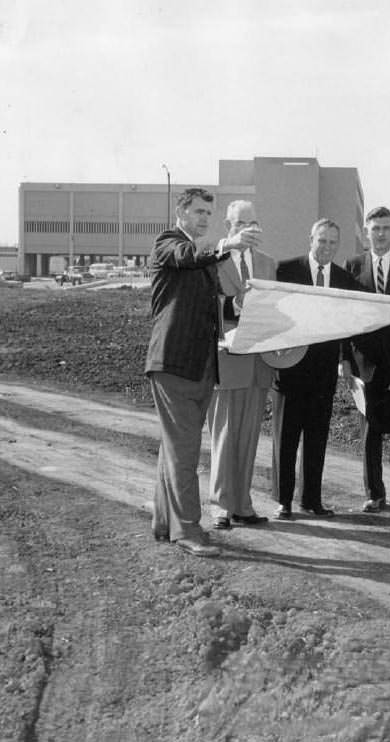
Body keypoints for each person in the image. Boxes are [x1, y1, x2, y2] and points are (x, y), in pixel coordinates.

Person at [145, 187, 230, 557]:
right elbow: (187, 255)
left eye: (208, 214)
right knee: (185, 450)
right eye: (198, 212)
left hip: (200, 366)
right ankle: (189, 531)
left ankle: (166, 522)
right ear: (181, 212)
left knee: (175, 447)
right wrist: (227, 245)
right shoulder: (169, 243)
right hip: (174, 363)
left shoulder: (203, 259)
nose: (204, 219)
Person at [272, 218, 360, 520]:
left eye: (333, 242)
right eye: (322, 241)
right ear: (311, 239)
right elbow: (272, 312)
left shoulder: (343, 278)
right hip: (289, 368)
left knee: (317, 437)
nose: (327, 248)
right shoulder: (285, 270)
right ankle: (283, 501)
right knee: (286, 437)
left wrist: (345, 358)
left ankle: (311, 500)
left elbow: (350, 322)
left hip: (324, 373)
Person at [346, 206, 390, 513]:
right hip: (366, 364)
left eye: (386, 228)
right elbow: (345, 317)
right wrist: (345, 363)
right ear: (366, 231)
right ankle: (374, 494)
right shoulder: (353, 266)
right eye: (375, 228)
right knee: (370, 434)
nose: (380, 234)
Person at [208, 200, 276, 531]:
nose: (245, 229)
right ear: (227, 226)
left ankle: (242, 504)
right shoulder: (213, 263)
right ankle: (220, 505)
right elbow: (209, 308)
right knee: (224, 436)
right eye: (239, 224)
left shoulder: (267, 264)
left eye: (251, 223)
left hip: (258, 365)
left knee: (249, 438)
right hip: (225, 362)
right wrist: (235, 303)